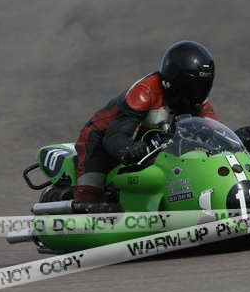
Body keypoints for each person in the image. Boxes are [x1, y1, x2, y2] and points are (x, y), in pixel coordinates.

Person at [73, 41, 218, 203]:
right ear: (173, 80)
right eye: (191, 86)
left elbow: (213, 133)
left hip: (149, 144)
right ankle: (70, 200)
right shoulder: (145, 93)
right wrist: (127, 148)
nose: (197, 92)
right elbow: (115, 135)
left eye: (202, 85)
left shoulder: (199, 103)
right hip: (101, 138)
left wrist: (235, 141)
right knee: (91, 191)